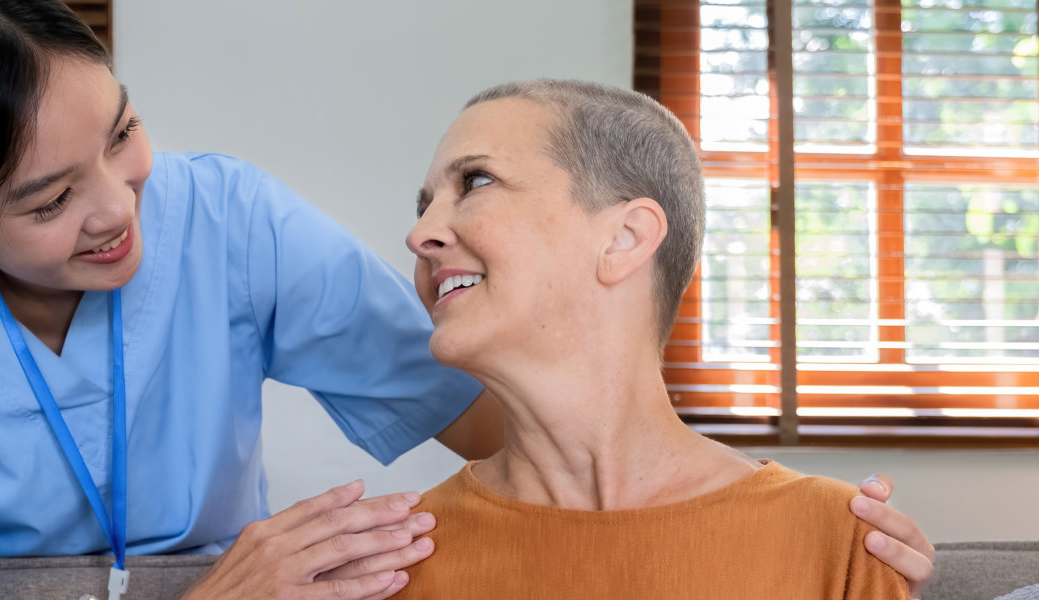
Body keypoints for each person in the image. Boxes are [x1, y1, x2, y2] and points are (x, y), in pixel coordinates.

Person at [0, 1, 935, 598]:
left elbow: (494, 409)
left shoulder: (227, 220)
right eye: (49, 198)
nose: (117, 205)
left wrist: (774, 518)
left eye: (125, 134)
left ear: (626, 234)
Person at [394, 79, 919, 599]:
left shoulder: (839, 543)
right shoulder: (390, 562)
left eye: (477, 182)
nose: (420, 236)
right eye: (424, 207)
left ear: (625, 239)